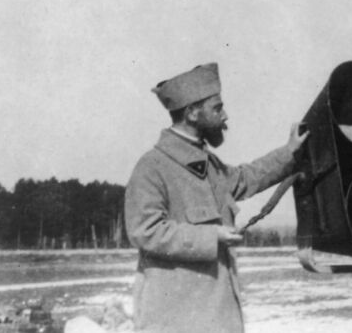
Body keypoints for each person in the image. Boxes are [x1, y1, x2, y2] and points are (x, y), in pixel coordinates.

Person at [125, 62, 308, 333]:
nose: (225, 116)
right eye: (217, 108)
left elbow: (246, 177)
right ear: (192, 113)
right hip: (174, 322)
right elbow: (144, 231)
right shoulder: (152, 167)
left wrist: (289, 153)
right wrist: (213, 237)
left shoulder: (208, 165)